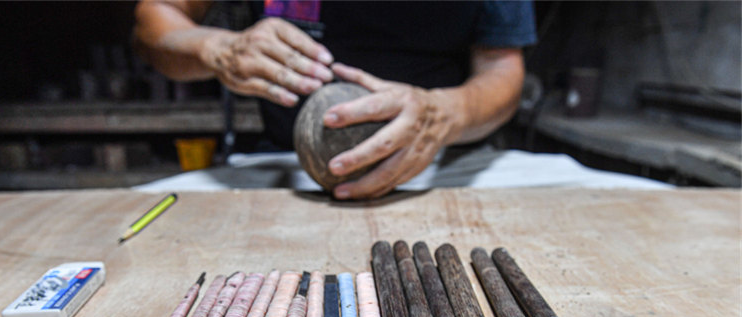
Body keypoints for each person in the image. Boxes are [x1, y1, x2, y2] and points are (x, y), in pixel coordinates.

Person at [134, 1, 536, 199]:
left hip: (440, 158)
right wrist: (214, 46)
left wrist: (445, 113)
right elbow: (155, 17)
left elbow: (502, 68)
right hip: (285, 166)